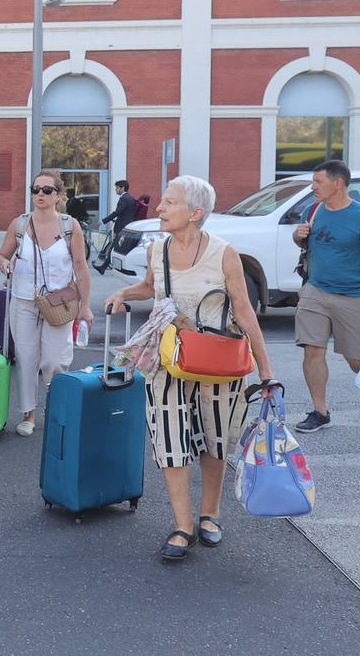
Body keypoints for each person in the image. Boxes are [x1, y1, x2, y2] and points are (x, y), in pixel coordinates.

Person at [104, 175, 279, 561]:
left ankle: (210, 514)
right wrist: (123, 292)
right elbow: (151, 287)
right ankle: (183, 525)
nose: (160, 208)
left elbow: (245, 311)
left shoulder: (224, 253)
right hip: (170, 360)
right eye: (162, 201)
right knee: (170, 440)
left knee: (216, 441)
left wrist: (266, 370)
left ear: (196, 212)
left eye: (170, 203)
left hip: (218, 360)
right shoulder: (157, 249)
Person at [291, 159, 360, 433]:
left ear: (337, 183)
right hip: (315, 290)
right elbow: (303, 242)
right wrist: (297, 235)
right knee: (312, 349)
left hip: (354, 296)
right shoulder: (313, 210)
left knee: (356, 358)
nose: (313, 187)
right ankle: (320, 411)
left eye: (318, 182)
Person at [0, 172, 93, 435]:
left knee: (55, 360)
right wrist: (5, 263)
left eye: (47, 190)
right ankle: (28, 414)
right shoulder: (19, 224)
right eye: (36, 189)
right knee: (26, 358)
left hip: (59, 304)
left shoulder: (70, 226)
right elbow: (1, 255)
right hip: (24, 300)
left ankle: (54, 408)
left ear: (58, 196)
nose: (40, 194)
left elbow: (81, 267)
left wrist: (85, 307)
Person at [94, 180, 137, 274]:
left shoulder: (125, 199)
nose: (115, 189)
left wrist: (103, 221)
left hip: (123, 227)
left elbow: (117, 212)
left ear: (122, 188)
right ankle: (103, 267)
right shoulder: (128, 198)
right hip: (124, 226)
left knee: (115, 247)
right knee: (114, 247)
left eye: (117, 188)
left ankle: (104, 267)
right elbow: (124, 213)